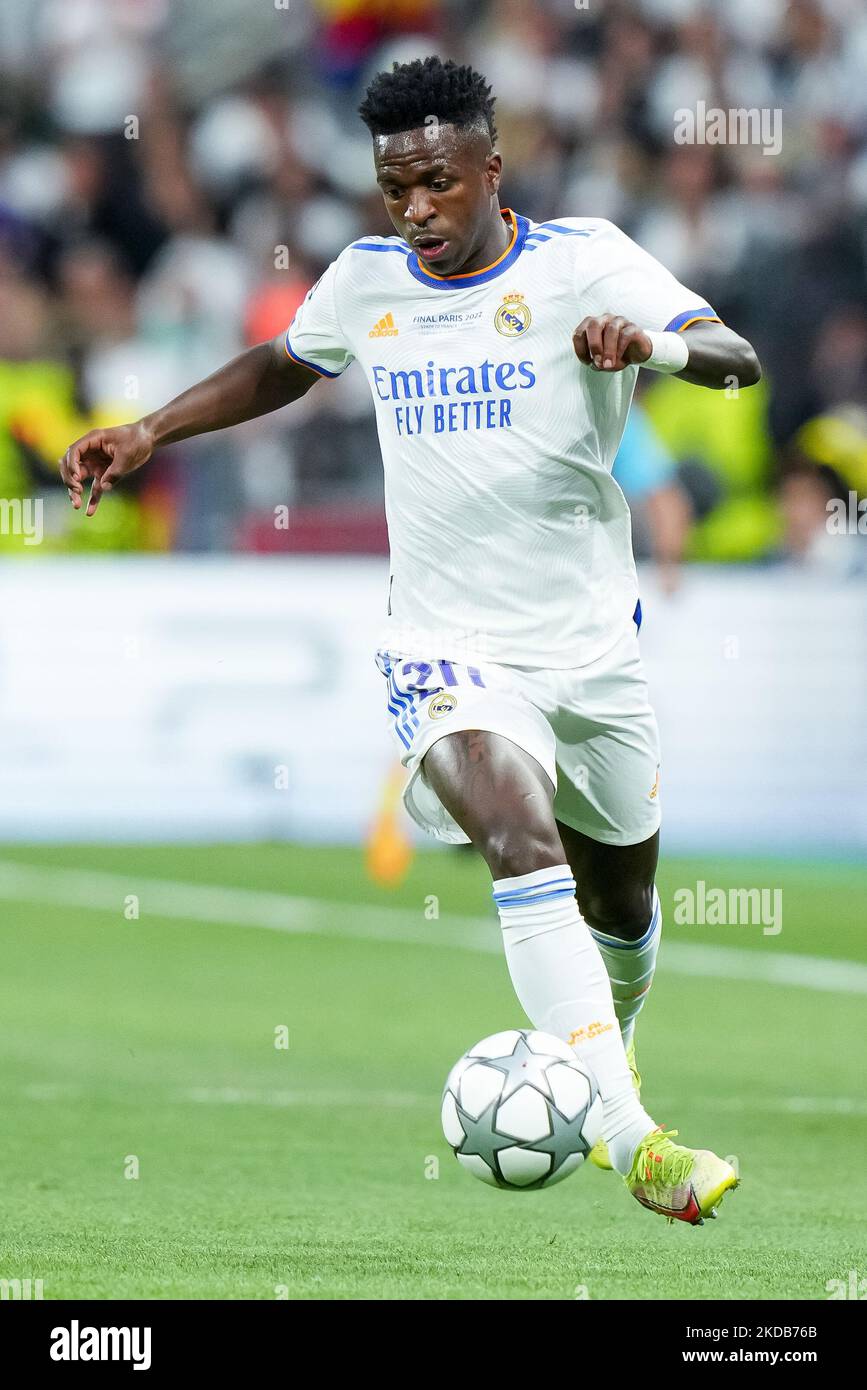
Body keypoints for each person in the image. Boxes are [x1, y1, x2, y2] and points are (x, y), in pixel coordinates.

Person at [60, 56, 761, 1224]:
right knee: (514, 834)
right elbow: (286, 363)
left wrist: (654, 350)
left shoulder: (585, 260)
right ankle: (634, 1140)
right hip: (443, 645)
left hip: (591, 650)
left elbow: (736, 356)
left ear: (493, 166)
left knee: (626, 905)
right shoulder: (368, 280)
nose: (418, 210)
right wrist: (150, 429)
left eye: (437, 182)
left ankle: (606, 1053)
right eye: (397, 191)